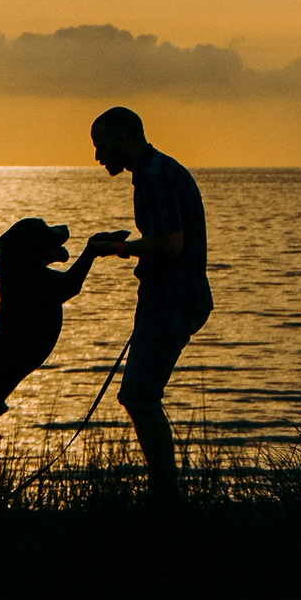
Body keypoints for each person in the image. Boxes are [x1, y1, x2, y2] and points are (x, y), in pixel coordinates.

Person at [0, 216, 123, 494]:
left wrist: (93, 248)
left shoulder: (23, 278)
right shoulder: (29, 283)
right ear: (29, 248)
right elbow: (70, 286)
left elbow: (65, 284)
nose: (57, 234)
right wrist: (91, 251)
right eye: (45, 232)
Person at [90, 104, 211, 501]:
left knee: (139, 397)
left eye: (102, 145)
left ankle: (166, 497)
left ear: (123, 139)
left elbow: (170, 244)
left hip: (173, 299)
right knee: (140, 395)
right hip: (171, 298)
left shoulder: (155, 177)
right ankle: (165, 495)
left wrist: (119, 248)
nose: (98, 156)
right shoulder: (156, 172)